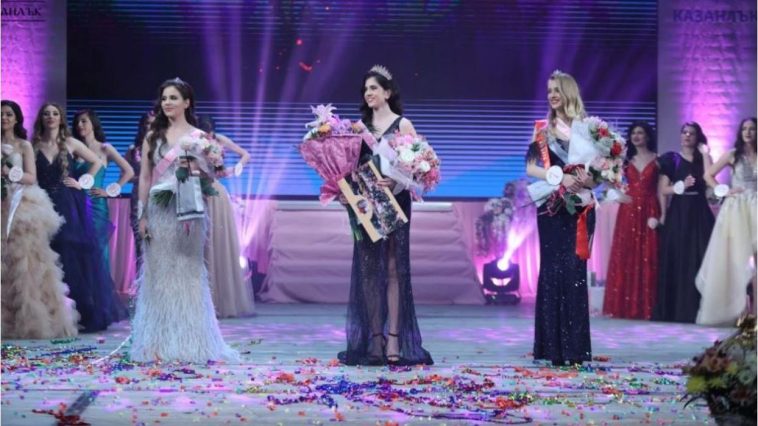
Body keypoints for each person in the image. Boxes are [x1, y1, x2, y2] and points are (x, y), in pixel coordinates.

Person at [130, 78, 239, 363]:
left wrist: (194, 168)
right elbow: (145, 177)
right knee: (158, 275)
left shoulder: (201, 138)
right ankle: (157, 342)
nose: (167, 102)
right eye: (164, 98)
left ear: (187, 102)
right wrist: (142, 214)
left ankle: (192, 342)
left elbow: (213, 177)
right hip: (159, 211)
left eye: (174, 98)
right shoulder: (153, 136)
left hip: (189, 212)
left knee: (188, 274)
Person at [337, 65, 433, 366]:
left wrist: (396, 182)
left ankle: (394, 337)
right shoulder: (358, 129)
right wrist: (345, 192)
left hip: (396, 202)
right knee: (369, 271)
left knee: (393, 269)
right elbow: (349, 170)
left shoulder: (403, 125)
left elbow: (419, 173)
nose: (368, 93)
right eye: (366, 89)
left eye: (374, 88)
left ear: (388, 92)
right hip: (367, 204)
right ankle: (375, 338)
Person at [33, 102, 124, 332]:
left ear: (60, 118)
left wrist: (82, 183)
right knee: (45, 253)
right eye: (46, 114)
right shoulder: (34, 144)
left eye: (55, 113)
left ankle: (79, 313)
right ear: (41, 118)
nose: (50, 117)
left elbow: (96, 161)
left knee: (69, 254)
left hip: (67, 202)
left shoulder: (70, 142)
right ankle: (50, 313)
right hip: (41, 202)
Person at [525, 70, 594, 366]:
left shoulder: (588, 128)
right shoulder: (543, 130)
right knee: (553, 271)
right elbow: (531, 167)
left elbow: (599, 172)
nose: (552, 95)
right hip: (551, 207)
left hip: (580, 207)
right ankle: (552, 347)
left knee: (575, 273)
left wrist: (588, 179)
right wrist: (559, 177)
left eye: (557, 90)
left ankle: (575, 347)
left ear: (569, 92)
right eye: (549, 90)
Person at [1, 100, 79, 339]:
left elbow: (31, 177)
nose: (4, 118)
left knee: (25, 262)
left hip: (19, 205)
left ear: (16, 118)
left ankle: (29, 319)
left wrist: (9, 173)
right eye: (1, 114)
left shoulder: (24, 145)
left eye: (8, 114)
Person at [696, 117, 757, 325]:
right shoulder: (733, 154)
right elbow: (708, 175)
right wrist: (724, 190)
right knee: (738, 261)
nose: (748, 132)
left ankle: (755, 314)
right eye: (745, 129)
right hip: (738, 210)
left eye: (752, 129)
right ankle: (740, 313)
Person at [653, 122, 715, 323]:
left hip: (700, 211)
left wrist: (705, 155)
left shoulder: (703, 158)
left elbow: (709, 179)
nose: (687, 136)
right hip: (679, 212)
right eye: (684, 132)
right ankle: (677, 310)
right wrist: (681, 185)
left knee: (701, 256)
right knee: (680, 258)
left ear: (698, 137)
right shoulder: (672, 159)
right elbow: (663, 190)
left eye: (691, 133)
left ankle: (701, 310)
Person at [197, 116, 255, 318]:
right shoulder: (191, 140)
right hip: (196, 191)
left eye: (210, 134)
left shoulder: (219, 140)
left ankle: (219, 301)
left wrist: (235, 169)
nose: (208, 136)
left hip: (214, 193)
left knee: (217, 243)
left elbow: (245, 155)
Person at [603, 121, 660, 320]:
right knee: (627, 254)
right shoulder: (624, 160)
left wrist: (659, 214)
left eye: (640, 132)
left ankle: (647, 308)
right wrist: (618, 195)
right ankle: (625, 307)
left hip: (650, 208)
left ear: (648, 136)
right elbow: (607, 182)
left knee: (649, 255)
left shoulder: (658, 159)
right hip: (629, 210)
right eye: (633, 133)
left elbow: (661, 189)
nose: (636, 136)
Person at [72, 108, 135, 279]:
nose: (79, 125)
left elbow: (129, 171)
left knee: (97, 248)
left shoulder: (105, 148)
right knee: (77, 250)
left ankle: (99, 290)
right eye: (77, 122)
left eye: (84, 121)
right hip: (75, 204)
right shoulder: (74, 148)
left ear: (93, 123)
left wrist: (109, 191)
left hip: (96, 204)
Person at [125, 111, 155, 272]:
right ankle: (141, 283)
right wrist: (141, 178)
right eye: (147, 123)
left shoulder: (165, 148)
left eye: (153, 123)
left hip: (160, 199)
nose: (150, 126)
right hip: (139, 199)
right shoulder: (133, 150)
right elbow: (126, 176)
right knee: (141, 243)